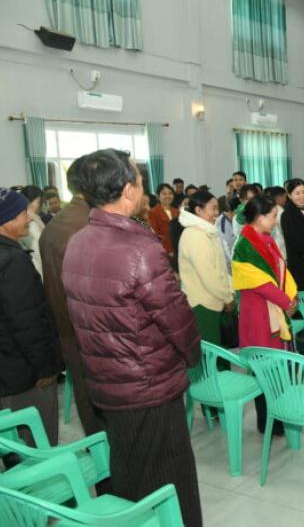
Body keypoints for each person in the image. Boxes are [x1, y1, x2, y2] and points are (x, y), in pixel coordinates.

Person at [62, 149, 202, 526]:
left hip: (107, 383)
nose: (144, 187)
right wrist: (193, 355)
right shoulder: (140, 248)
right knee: (171, 479)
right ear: (127, 190)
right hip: (148, 384)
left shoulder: (78, 241)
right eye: (140, 180)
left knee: (129, 469)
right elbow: (176, 318)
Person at [39, 158, 106, 438]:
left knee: (87, 399)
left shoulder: (57, 225)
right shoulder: (89, 225)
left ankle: (102, 459)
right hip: (93, 332)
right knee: (103, 405)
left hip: (68, 329)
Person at [0, 188, 62, 446]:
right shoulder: (13, 261)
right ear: (6, 219)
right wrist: (46, 368)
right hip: (25, 375)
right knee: (37, 443)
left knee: (13, 445)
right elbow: (27, 322)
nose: (29, 218)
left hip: (7, 370)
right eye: (23, 213)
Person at [232, 195, 298, 434]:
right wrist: (286, 302)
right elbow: (261, 283)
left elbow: (282, 271)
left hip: (274, 308)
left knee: (277, 367)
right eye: (272, 217)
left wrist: (292, 296)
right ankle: (267, 420)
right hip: (259, 316)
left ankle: (278, 415)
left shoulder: (267, 239)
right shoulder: (244, 246)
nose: (275, 221)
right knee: (264, 367)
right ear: (259, 218)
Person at [178, 191, 234, 346]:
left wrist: (229, 290)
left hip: (213, 300)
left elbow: (220, 268)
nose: (217, 213)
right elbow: (209, 276)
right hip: (203, 304)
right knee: (210, 352)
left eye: (217, 208)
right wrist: (227, 297)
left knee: (217, 350)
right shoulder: (195, 236)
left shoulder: (206, 231)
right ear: (198, 210)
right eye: (213, 208)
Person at [19, 186, 46, 277]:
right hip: (36, 268)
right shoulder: (30, 223)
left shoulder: (33, 219)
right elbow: (39, 248)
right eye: (38, 202)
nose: (39, 205)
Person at [148, 183, 179, 260]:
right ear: (158, 196)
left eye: (170, 193)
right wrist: (168, 251)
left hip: (179, 251)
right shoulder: (153, 212)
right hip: (164, 253)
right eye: (164, 194)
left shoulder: (177, 211)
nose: (168, 196)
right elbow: (155, 236)